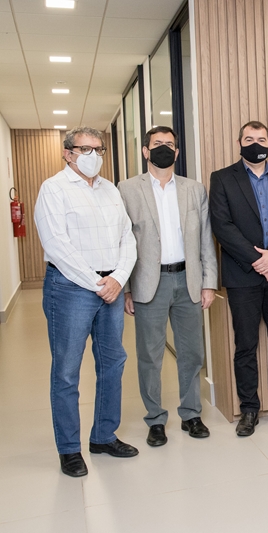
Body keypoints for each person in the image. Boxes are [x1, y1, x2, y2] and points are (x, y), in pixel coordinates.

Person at [34, 126, 138, 477]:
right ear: (68, 153)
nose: (93, 156)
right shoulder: (54, 189)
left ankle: (104, 436)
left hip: (110, 285)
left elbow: (127, 237)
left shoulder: (110, 190)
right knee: (67, 370)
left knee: (113, 363)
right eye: (85, 149)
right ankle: (69, 449)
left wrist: (118, 278)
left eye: (98, 149)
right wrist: (98, 283)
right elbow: (56, 245)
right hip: (70, 288)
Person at [119, 126, 218, 447]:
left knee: (192, 352)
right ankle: (156, 419)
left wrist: (209, 283)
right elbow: (123, 241)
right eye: (157, 144)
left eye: (169, 144)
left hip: (188, 280)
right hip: (149, 282)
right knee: (150, 355)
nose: (164, 148)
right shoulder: (127, 189)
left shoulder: (194, 189)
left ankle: (191, 414)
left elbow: (205, 238)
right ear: (146, 151)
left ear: (177, 152)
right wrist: (127, 288)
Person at [209, 120, 268, 436]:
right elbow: (222, 226)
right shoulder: (222, 178)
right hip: (242, 275)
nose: (256, 144)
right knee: (245, 345)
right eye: (249, 139)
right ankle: (249, 409)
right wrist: (259, 261)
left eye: (261, 139)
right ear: (239, 143)